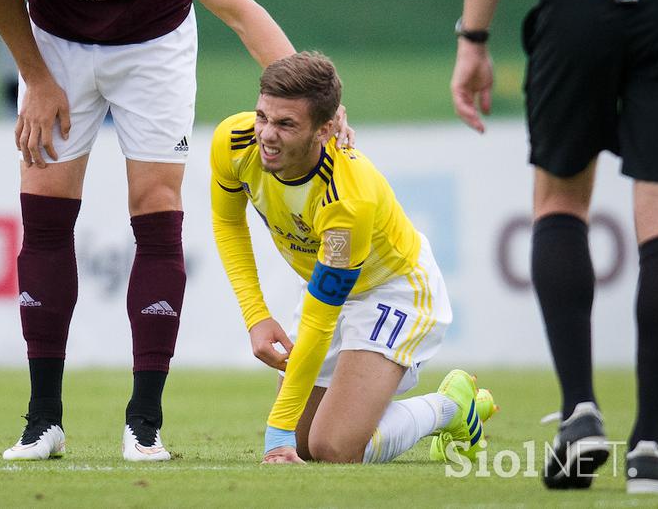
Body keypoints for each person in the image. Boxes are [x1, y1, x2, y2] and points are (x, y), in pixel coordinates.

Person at [0, 0, 301, 462]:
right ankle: (43, 422)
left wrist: (315, 103)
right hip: (57, 46)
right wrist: (34, 76)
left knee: (155, 205)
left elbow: (241, 12)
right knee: (43, 209)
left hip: (153, 45)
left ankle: (144, 423)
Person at [450, 0, 658, 493]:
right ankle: (654, 444)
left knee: (559, 201)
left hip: (576, 1)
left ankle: (580, 414)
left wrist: (473, 39)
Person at [211, 52, 494, 465]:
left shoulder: (347, 198)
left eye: (286, 124)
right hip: (330, 292)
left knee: (335, 448)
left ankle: (450, 406)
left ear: (326, 130)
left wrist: (275, 435)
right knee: (305, 442)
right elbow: (227, 223)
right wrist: (256, 316)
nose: (266, 135)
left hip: (394, 289)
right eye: (262, 117)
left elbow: (321, 318)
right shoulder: (234, 141)